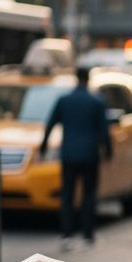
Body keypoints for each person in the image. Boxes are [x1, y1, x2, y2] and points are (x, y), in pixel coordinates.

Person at [40, 67, 111, 251]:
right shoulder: (96, 102)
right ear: (88, 80)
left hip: (69, 154)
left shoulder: (64, 100)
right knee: (89, 194)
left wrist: (43, 146)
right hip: (90, 154)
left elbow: (50, 124)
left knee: (68, 195)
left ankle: (66, 235)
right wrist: (108, 151)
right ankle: (87, 234)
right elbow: (104, 131)